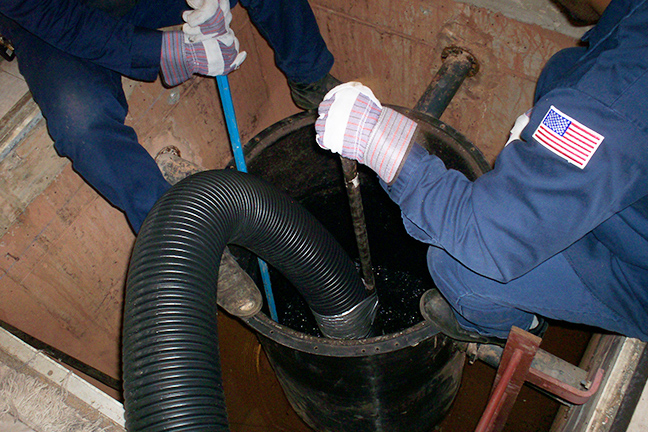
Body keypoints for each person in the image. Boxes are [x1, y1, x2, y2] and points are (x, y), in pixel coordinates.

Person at [314, 0, 648, 344]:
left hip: (639, 275)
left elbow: (489, 240)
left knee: (457, 268)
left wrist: (381, 144)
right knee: (564, 68)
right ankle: (563, 201)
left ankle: (523, 325)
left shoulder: (616, 98)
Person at [0, 0, 338, 234]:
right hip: (51, 23)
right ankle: (184, 237)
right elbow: (60, 20)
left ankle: (310, 78)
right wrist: (171, 51)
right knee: (81, 125)